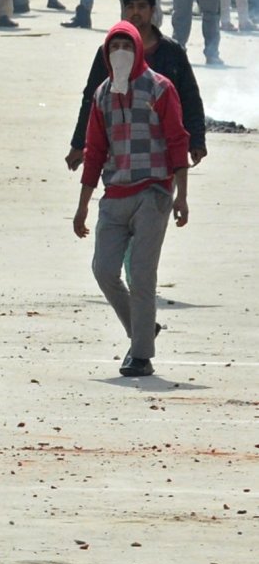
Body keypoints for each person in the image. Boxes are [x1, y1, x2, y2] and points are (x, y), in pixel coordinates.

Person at [73, 23, 191, 378]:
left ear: (138, 49)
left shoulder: (159, 88)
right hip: (115, 195)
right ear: (107, 54)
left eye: (127, 45)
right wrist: (82, 205)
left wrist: (181, 195)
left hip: (154, 193)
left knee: (142, 274)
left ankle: (141, 354)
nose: (120, 51)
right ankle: (142, 327)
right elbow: (95, 151)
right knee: (104, 270)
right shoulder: (102, 95)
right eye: (115, 46)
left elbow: (177, 140)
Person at [67, 0, 207, 171]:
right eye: (131, 7)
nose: (135, 12)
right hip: (119, 146)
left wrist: (196, 140)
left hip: (162, 145)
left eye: (141, 7)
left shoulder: (171, 51)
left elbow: (190, 97)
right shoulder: (109, 51)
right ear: (124, 11)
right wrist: (79, 144)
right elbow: (91, 99)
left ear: (152, 11)